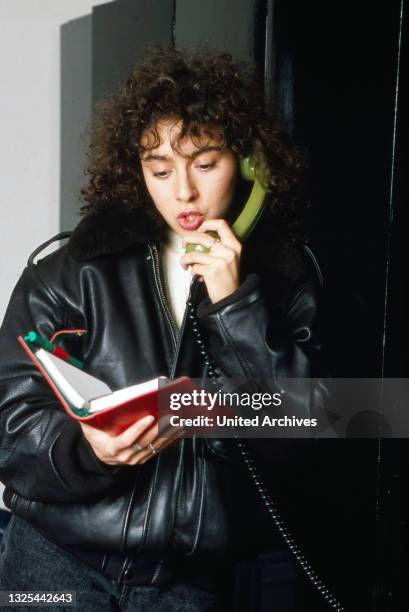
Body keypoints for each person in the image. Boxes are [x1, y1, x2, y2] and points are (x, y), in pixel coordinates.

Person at [0, 47, 324, 611]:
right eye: (160, 170)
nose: (184, 193)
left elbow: (298, 432)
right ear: (136, 171)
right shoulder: (72, 268)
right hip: (53, 562)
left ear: (250, 164)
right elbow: (9, 423)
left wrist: (235, 301)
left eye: (204, 163)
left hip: (185, 583)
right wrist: (87, 451)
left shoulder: (287, 280)